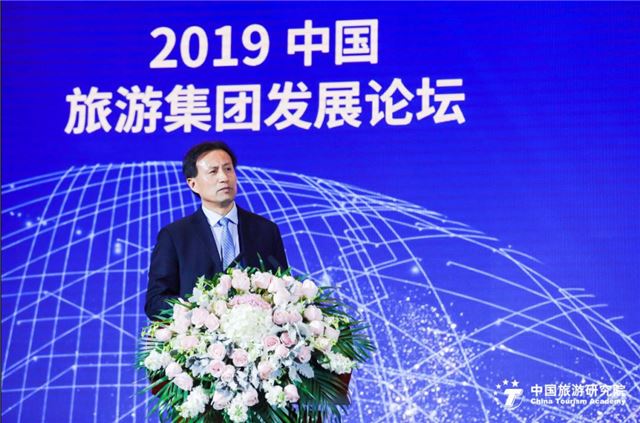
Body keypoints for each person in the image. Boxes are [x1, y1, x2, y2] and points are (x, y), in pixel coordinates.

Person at [145, 141, 288, 320]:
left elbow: (284, 288)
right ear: (193, 184)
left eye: (228, 169)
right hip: (201, 335)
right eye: (213, 171)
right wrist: (199, 312)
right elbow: (156, 302)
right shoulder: (175, 236)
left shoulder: (266, 230)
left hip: (258, 333)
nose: (224, 178)